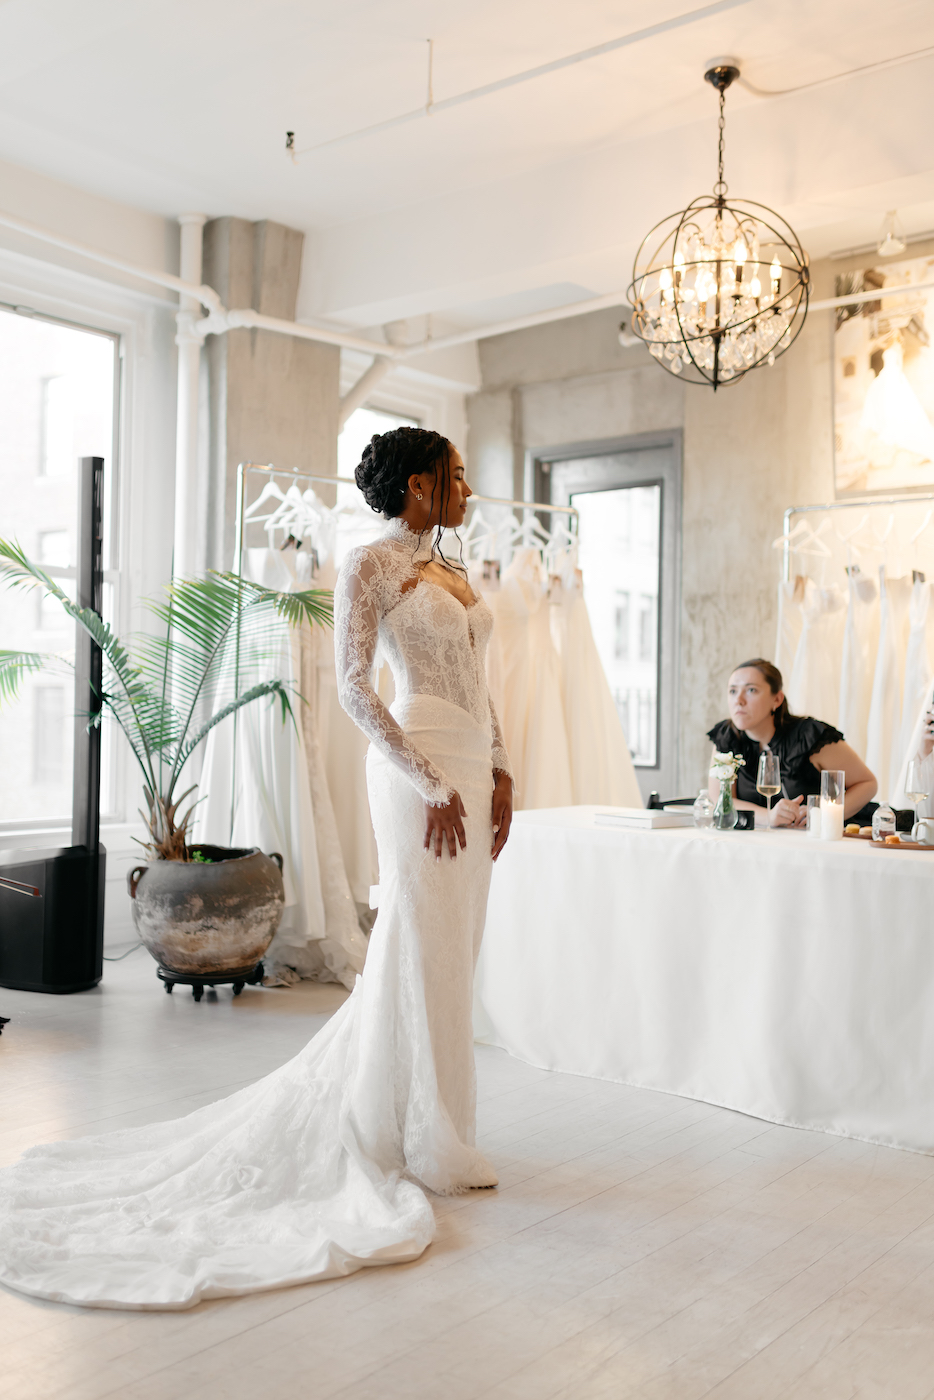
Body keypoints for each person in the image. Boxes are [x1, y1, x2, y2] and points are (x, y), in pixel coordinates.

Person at [0, 428, 513, 1311]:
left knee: (454, 949)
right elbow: (355, 687)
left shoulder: (460, 574)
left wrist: (501, 770)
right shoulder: (369, 565)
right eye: (458, 478)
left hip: (469, 770)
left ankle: (431, 1123)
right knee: (416, 942)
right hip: (414, 767)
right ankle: (414, 1132)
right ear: (421, 487)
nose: (468, 491)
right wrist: (429, 778)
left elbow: (481, 680)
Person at [707, 658, 877, 828]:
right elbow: (719, 798)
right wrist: (768, 816)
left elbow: (867, 784)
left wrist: (823, 815)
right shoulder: (727, 737)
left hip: (826, 836)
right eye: (732, 691)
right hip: (765, 842)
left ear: (777, 699)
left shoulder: (808, 737)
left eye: (751, 690)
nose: (739, 700)